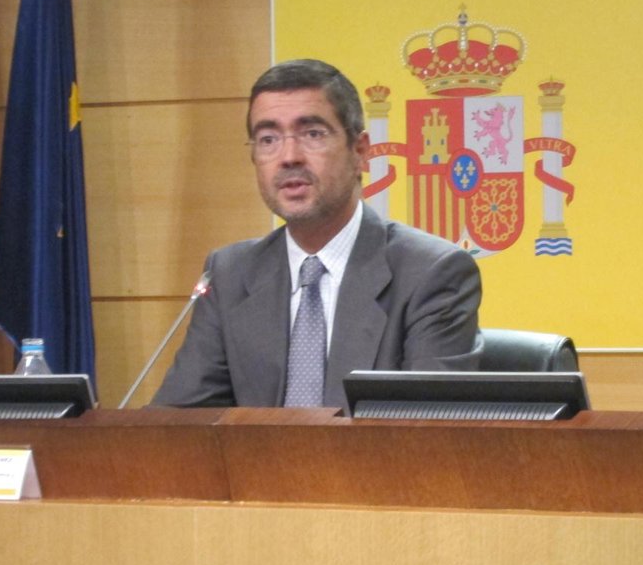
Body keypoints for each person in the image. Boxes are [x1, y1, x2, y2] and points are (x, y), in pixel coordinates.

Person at [151, 59, 482, 407]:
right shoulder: (230, 274)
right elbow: (180, 421)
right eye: (268, 139)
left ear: (360, 152)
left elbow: (428, 427)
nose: (289, 157)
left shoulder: (431, 273)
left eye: (312, 134)